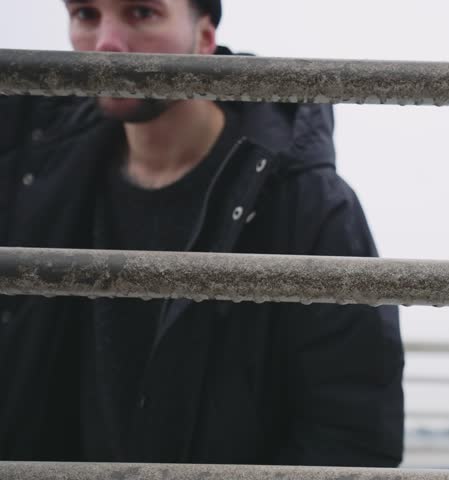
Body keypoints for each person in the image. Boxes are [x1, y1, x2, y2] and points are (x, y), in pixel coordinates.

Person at [0, 0, 404, 467]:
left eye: (141, 12)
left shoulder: (309, 204)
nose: (106, 43)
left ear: (205, 38)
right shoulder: (34, 171)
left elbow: (351, 432)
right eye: (86, 14)